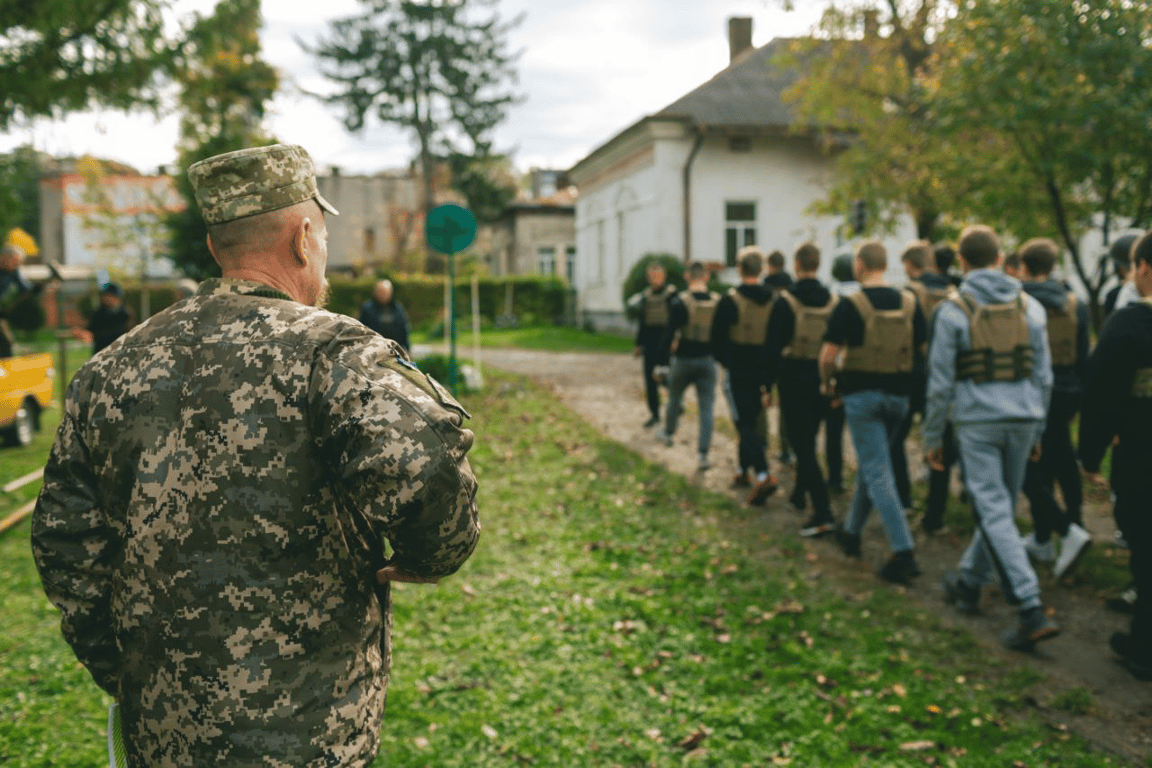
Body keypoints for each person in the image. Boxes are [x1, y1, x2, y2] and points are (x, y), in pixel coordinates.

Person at [31, 143, 481, 765]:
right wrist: (428, 555)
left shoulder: (108, 370)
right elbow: (429, 469)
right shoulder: (331, 352)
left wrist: (127, 671)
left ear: (215, 246)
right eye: (323, 237)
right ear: (303, 239)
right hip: (310, 734)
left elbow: (63, 544)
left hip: (164, 731)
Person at [925, 225, 1059, 651]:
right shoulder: (1030, 307)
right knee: (998, 507)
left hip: (978, 422)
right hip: (1025, 419)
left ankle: (1030, 606)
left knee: (994, 511)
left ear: (962, 262)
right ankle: (969, 582)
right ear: (1001, 259)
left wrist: (932, 436)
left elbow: (940, 384)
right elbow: (1045, 377)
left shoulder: (953, 311)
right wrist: (1038, 428)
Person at [821, 241, 926, 583]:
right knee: (873, 464)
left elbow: (827, 356)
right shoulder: (909, 303)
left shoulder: (850, 305)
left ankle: (903, 552)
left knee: (878, 471)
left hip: (862, 397)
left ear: (860, 265)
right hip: (899, 398)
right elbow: (922, 349)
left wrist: (829, 384)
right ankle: (851, 533)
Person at [1079, 229, 1152, 681]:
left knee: (1146, 552)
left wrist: (1090, 456)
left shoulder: (1128, 326)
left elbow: (1100, 397)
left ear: (1142, 268)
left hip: (1142, 457)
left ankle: (1144, 649)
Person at [1018, 238, 1093, 579]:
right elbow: (1083, 356)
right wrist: (1079, 398)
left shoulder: (1019, 301)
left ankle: (1053, 534)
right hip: (1066, 392)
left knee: (1034, 466)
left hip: (1032, 391)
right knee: (1062, 459)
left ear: (1024, 267)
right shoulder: (1076, 303)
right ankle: (1066, 528)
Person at [765, 242, 836, 536]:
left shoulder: (786, 302)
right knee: (810, 438)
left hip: (793, 377)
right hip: (823, 377)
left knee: (801, 445)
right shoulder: (833, 300)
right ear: (818, 264)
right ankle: (798, 494)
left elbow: (772, 347)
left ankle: (822, 511)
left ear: (796, 265)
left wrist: (767, 385)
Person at [712, 246, 778, 504]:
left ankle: (763, 474)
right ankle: (742, 470)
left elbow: (716, 341)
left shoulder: (730, 301)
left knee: (744, 424)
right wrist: (769, 381)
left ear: (739, 269)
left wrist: (729, 361)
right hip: (763, 370)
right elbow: (776, 341)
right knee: (751, 418)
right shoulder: (774, 302)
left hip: (738, 370)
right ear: (761, 270)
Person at [659, 261, 718, 472]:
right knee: (706, 408)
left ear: (687, 276)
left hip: (683, 359)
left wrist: (662, 362)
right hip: (707, 360)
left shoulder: (680, 302)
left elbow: (668, 334)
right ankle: (703, 454)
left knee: (674, 398)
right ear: (706, 277)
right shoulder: (716, 302)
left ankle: (668, 433)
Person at [822, 253, 858, 495]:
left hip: (838, 370)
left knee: (833, 430)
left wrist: (828, 382)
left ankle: (835, 477)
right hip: (862, 371)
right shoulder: (864, 297)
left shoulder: (831, 297)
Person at [634, 262, 676, 427]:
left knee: (666, 378)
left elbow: (676, 319)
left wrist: (675, 339)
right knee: (650, 381)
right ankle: (655, 414)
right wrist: (638, 344)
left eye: (657, 275)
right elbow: (642, 321)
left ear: (664, 276)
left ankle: (676, 404)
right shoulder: (645, 296)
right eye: (652, 275)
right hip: (649, 344)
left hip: (665, 344)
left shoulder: (671, 295)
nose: (655, 278)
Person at [762, 249, 794, 464]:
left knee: (764, 398)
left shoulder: (764, 287)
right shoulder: (792, 286)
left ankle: (763, 442)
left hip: (766, 345)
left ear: (770, 265)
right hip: (790, 350)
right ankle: (786, 448)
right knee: (787, 403)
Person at [73, 282, 132, 354]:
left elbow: (118, 332)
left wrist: (94, 335)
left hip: (118, 353)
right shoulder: (100, 312)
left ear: (115, 297)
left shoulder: (125, 314)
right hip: (101, 352)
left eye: (108, 295)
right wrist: (82, 332)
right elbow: (92, 328)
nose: (104, 298)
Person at [0, 244, 34, 358]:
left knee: (6, 343)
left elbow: (25, 289)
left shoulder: (13, 271)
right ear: (4, 258)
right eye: (15, 261)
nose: (17, 265)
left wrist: (40, 288)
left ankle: (5, 367)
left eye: (18, 262)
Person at [359, 278, 411, 351]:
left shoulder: (398, 308)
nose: (383, 294)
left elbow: (404, 329)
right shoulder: (367, 308)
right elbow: (361, 330)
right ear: (375, 292)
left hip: (395, 349)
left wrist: (407, 348)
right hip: (372, 349)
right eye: (380, 291)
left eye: (385, 292)